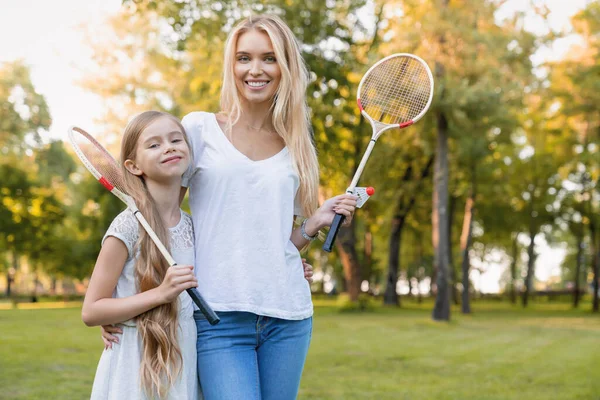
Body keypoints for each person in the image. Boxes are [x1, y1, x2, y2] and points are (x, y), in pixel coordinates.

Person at [102, 14, 357, 400]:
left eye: (269, 58)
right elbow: (162, 220)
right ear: (231, 65)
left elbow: (269, 241)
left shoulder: (297, 145)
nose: (255, 70)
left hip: (288, 316)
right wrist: (126, 300)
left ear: (285, 66)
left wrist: (311, 226)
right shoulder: (199, 130)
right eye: (244, 58)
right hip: (218, 317)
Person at [82, 111, 200, 399]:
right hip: (134, 364)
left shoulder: (193, 225)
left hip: (183, 356)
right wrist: (161, 294)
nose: (169, 147)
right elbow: (92, 310)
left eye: (176, 139)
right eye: (154, 144)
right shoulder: (127, 226)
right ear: (133, 166)